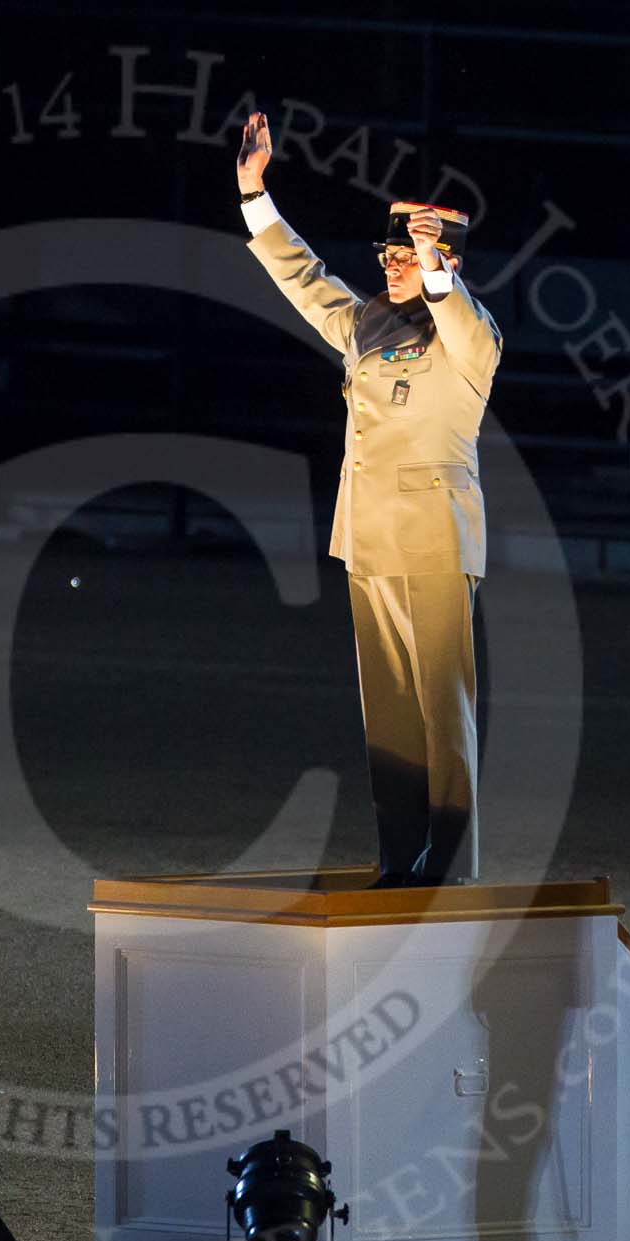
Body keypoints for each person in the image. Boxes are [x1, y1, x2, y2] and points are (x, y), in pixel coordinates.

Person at [234, 110, 503, 886]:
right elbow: (304, 277)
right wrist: (256, 194)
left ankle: (449, 865)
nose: (391, 264)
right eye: (387, 252)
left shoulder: (469, 337)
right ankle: (401, 853)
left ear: (441, 259)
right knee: (387, 714)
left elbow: (467, 326)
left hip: (436, 539)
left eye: (407, 255)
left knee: (442, 714)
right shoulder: (366, 325)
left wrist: (438, 264)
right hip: (369, 537)